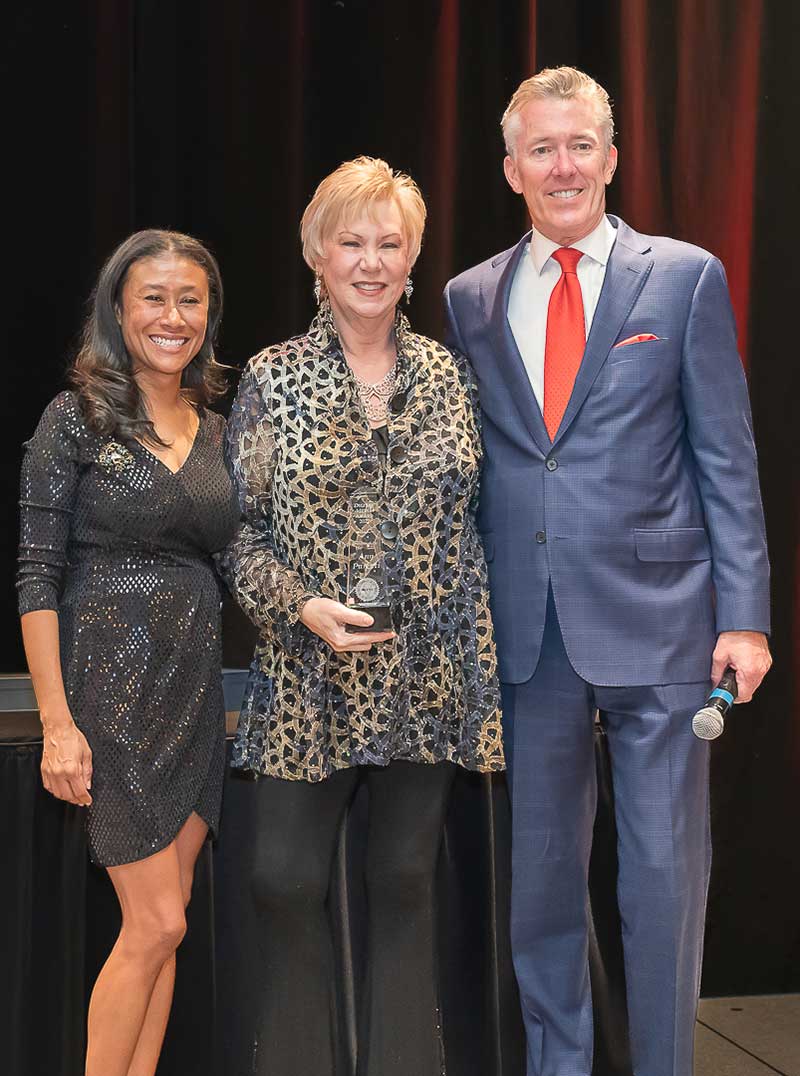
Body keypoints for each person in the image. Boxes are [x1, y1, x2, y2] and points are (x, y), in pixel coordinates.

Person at [444, 67, 771, 1076]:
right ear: (509, 169)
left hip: (664, 623)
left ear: (612, 156)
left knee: (663, 877)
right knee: (540, 885)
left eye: (579, 144)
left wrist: (745, 616)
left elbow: (724, 454)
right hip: (527, 631)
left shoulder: (681, 276)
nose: (561, 165)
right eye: (539, 148)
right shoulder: (468, 296)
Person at [221, 155, 503, 1076]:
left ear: (414, 256)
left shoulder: (449, 374)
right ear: (317, 254)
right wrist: (299, 605)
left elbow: (477, 523)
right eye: (352, 242)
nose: (371, 261)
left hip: (427, 679)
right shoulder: (273, 378)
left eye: (390, 242)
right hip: (309, 672)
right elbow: (237, 536)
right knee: (284, 883)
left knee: (407, 883)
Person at [17, 229, 239, 1076]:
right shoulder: (72, 419)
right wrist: (57, 723)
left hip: (192, 697)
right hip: (108, 696)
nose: (172, 316)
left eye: (191, 299)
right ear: (119, 309)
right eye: (154, 297)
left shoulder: (216, 426)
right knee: (158, 924)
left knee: (167, 918)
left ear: (209, 314)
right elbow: (36, 577)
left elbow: (238, 554)